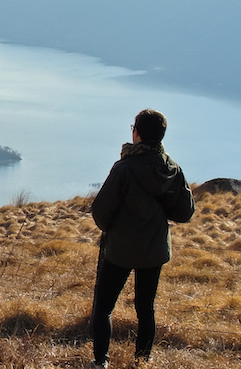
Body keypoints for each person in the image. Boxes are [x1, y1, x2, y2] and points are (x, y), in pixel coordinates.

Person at [89, 109, 195, 369]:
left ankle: (101, 361)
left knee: (104, 306)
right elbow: (185, 211)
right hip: (154, 250)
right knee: (145, 307)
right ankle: (142, 361)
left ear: (136, 132)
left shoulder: (124, 167)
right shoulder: (171, 168)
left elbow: (101, 210)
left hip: (120, 250)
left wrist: (111, 228)